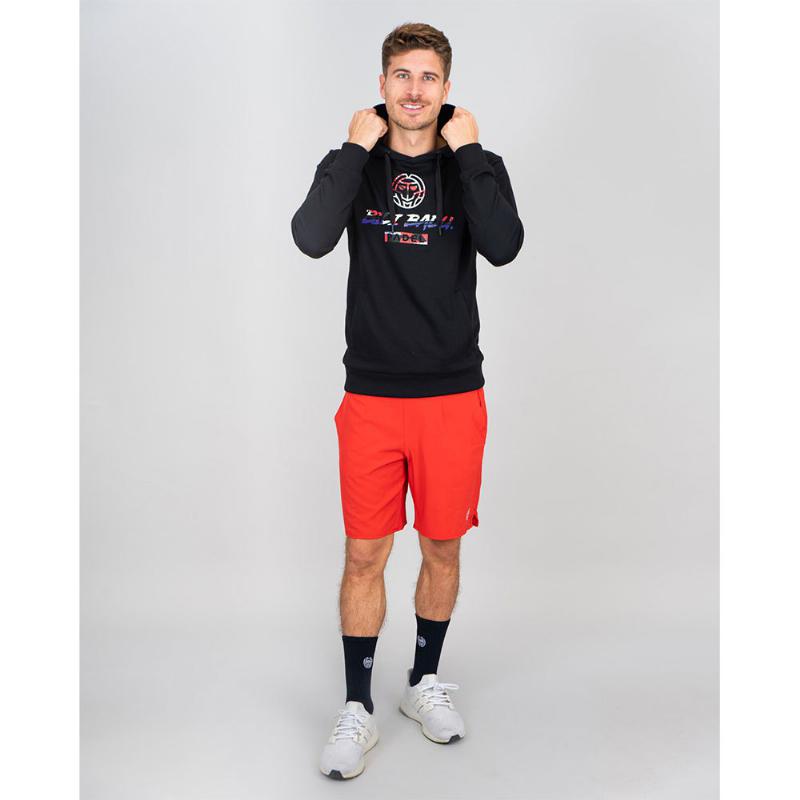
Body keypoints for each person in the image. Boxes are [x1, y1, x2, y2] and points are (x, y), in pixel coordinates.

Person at [291, 22, 524, 780]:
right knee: (365, 553)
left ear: (446, 89)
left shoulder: (473, 166)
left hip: (452, 395)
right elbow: (311, 237)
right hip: (372, 396)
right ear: (382, 84)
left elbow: (504, 245)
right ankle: (357, 705)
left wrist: (473, 152)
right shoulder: (354, 165)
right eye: (401, 75)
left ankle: (424, 682)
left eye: (428, 77)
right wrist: (352, 149)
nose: (414, 90)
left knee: (442, 547)